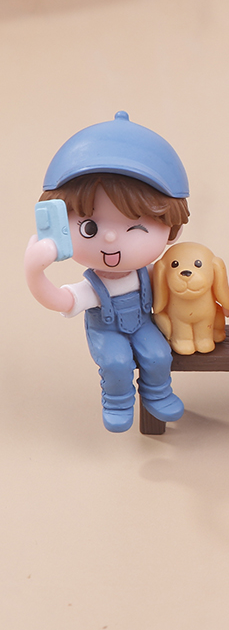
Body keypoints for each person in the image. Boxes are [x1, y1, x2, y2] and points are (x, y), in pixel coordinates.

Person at [24, 111, 190, 431]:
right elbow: (61, 300)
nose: (111, 238)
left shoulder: (150, 273)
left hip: (142, 325)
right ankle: (117, 400)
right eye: (89, 227)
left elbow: (178, 286)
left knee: (158, 354)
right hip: (106, 332)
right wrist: (35, 273)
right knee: (116, 362)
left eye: (135, 227)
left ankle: (158, 393)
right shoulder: (92, 287)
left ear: (173, 229)